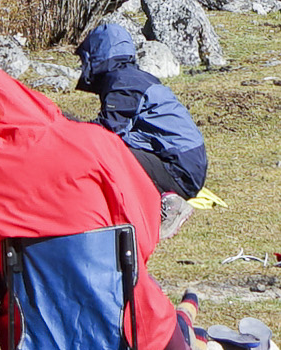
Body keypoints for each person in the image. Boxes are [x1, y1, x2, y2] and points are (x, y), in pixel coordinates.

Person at [0, 55, 198, 350]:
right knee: (148, 304)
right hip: (119, 320)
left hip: (34, 338)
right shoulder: (91, 140)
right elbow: (140, 228)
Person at [76, 20, 210, 237]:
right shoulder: (130, 77)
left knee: (104, 150)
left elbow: (107, 130)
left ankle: (170, 203)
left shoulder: (124, 82)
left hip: (180, 168)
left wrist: (67, 131)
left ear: (96, 55)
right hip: (185, 163)